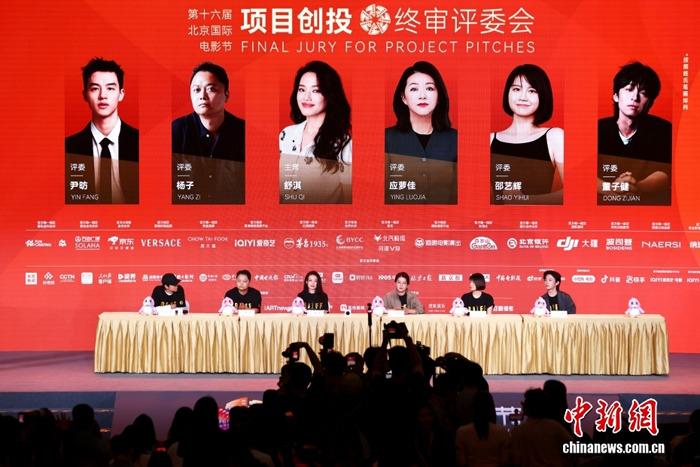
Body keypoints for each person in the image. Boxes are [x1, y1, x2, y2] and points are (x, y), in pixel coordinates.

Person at [65, 57, 139, 204]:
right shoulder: (68, 147)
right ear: (85, 95)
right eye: (95, 89)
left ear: (121, 94)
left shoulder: (141, 143)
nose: (102, 96)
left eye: (110, 88)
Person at [598, 62, 671, 205]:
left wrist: (636, 187)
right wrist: (612, 190)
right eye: (629, 89)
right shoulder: (597, 129)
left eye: (643, 93)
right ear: (616, 96)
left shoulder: (663, 130)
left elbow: (665, 173)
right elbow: (584, 175)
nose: (635, 97)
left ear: (650, 102)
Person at [490, 64, 564, 204]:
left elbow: (576, 191)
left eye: (532, 91)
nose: (523, 97)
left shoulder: (554, 136)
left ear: (543, 96)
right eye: (516, 89)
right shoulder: (490, 140)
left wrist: (525, 200)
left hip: (537, 218)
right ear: (507, 93)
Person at [172, 62, 245, 204]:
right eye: (196, 90)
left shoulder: (244, 132)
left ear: (226, 94)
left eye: (211, 89)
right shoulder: (177, 130)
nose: (202, 96)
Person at [385, 61, 457, 204]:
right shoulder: (386, 138)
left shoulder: (456, 139)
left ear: (438, 97)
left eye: (430, 88)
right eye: (414, 89)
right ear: (403, 97)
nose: (422, 96)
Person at [279, 60, 352, 167]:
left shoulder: (342, 143)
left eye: (316, 90)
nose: (306, 97)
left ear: (329, 95)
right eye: (302, 89)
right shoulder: (286, 134)